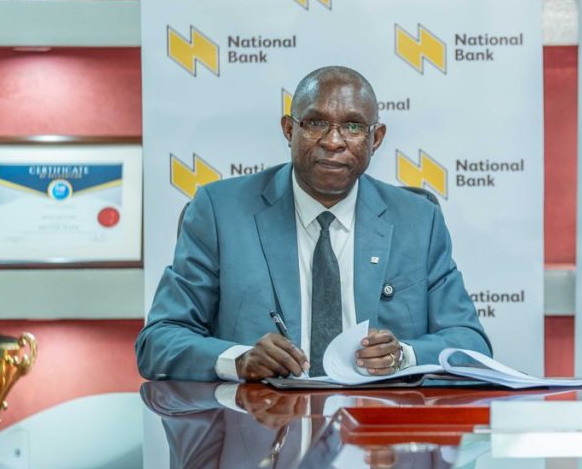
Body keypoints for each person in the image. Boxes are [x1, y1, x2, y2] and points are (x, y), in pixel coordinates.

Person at [137, 66, 490, 381]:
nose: (333, 142)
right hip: (260, 422)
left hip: (379, 423)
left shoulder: (418, 220)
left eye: (353, 126)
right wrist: (238, 360)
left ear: (376, 139)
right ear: (289, 129)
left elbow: (471, 344)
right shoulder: (220, 212)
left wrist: (403, 356)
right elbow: (159, 340)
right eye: (316, 123)